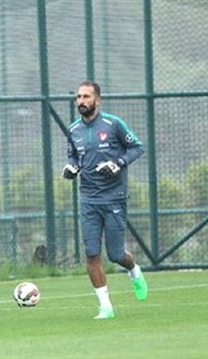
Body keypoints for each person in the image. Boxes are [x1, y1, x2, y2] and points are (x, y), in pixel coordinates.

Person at [62, 80, 148, 319]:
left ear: (97, 100)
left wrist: (117, 163)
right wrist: (70, 167)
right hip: (88, 199)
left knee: (116, 255)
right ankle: (105, 306)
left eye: (86, 97)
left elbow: (137, 148)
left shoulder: (114, 124)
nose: (81, 101)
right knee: (91, 253)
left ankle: (134, 270)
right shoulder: (73, 129)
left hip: (114, 198)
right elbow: (74, 157)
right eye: (78, 97)